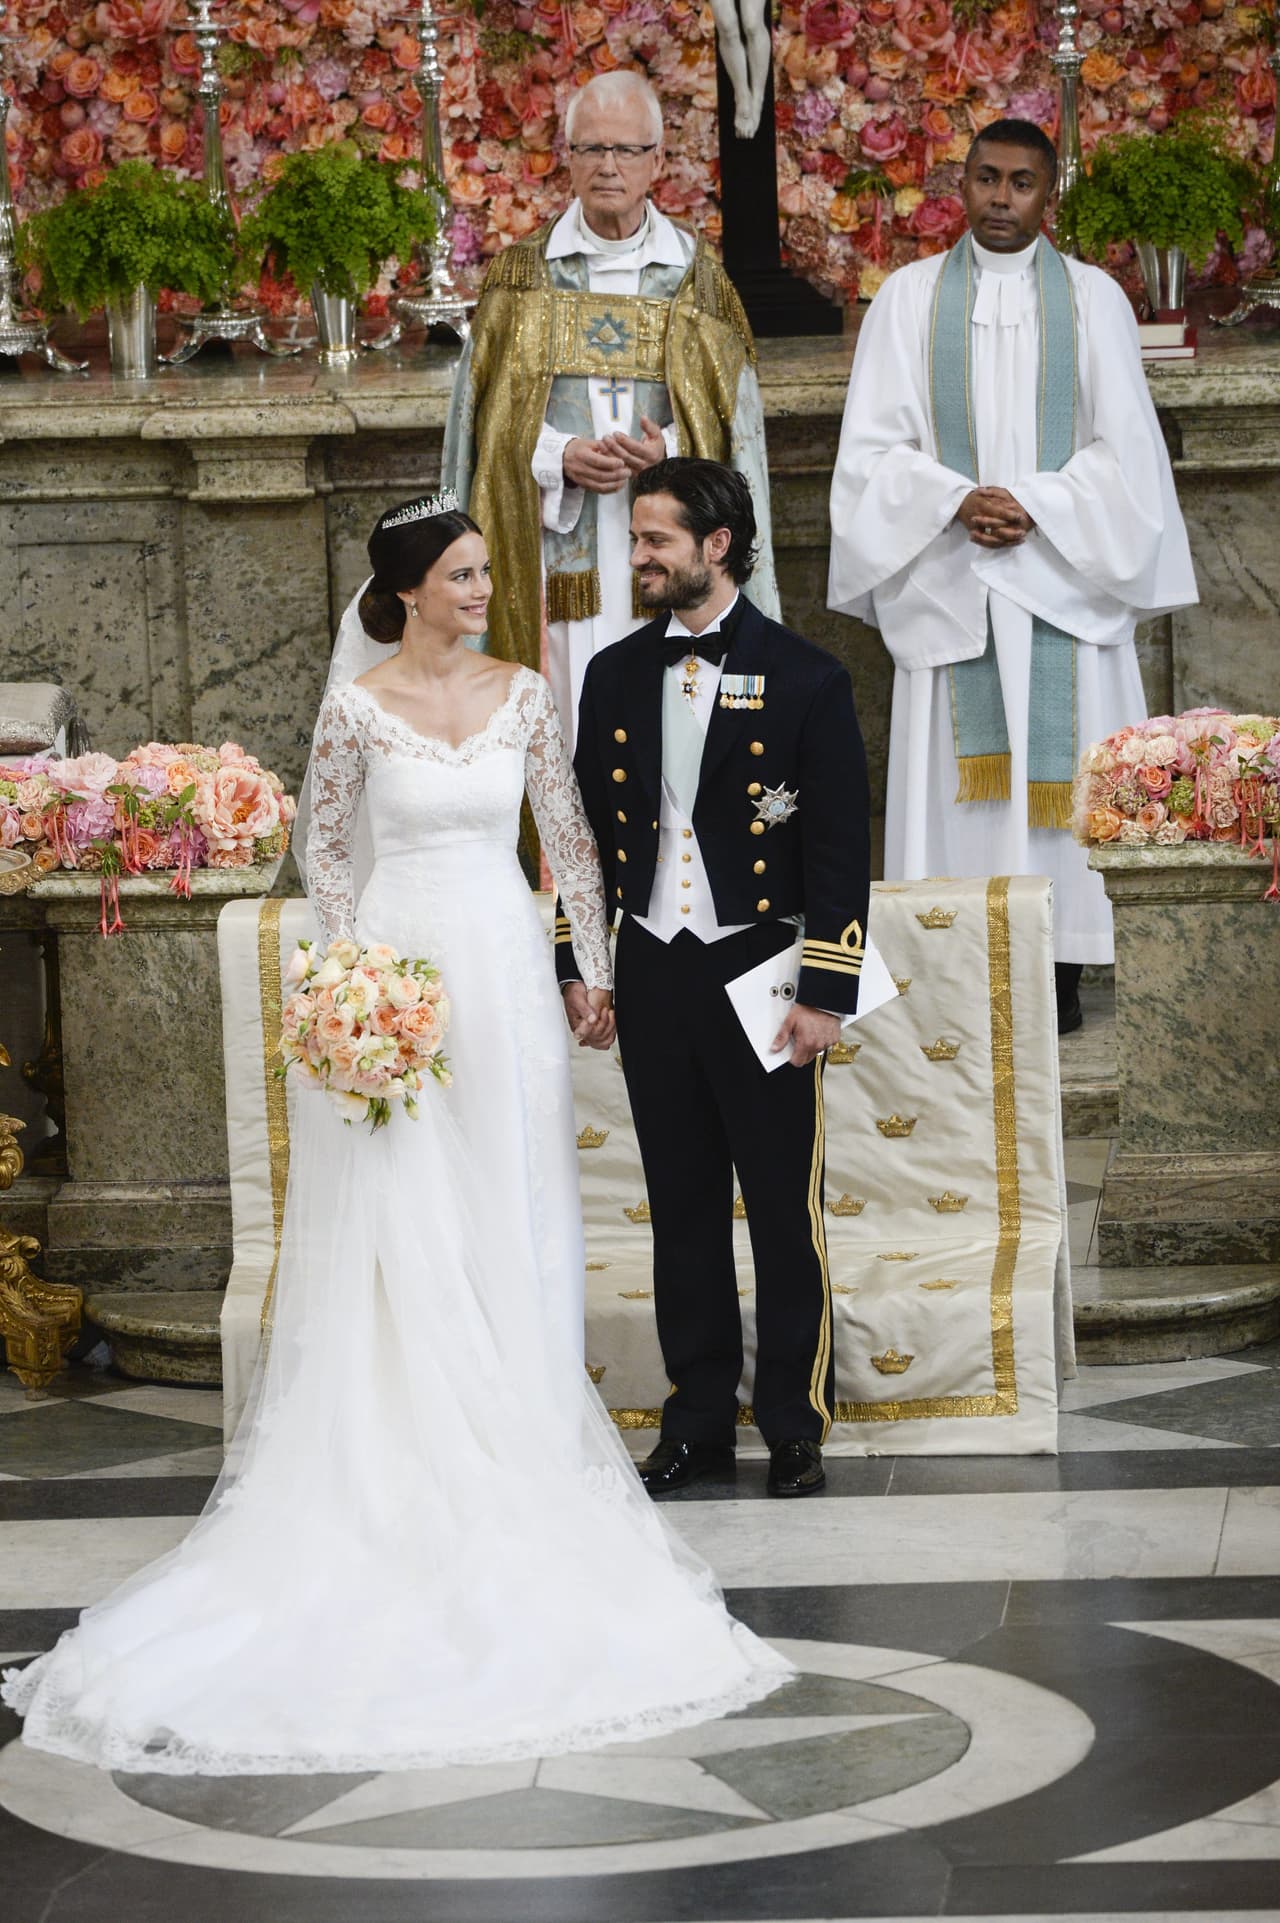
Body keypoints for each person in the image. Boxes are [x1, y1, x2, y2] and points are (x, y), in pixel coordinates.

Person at [1, 497, 791, 1775]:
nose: (484, 589)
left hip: (504, 981)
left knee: (514, 1202)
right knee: (409, 1212)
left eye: (486, 571)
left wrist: (585, 972)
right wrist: (353, 999)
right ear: (412, 585)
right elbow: (327, 863)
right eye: (464, 573)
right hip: (402, 990)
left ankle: (528, 1436)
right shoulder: (356, 706)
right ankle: (417, 1459)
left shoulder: (528, 693)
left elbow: (572, 846)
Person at [827, 118, 1197, 1033]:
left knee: (1064, 789)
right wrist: (954, 501)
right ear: (962, 180)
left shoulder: (1094, 300)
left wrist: (1037, 504)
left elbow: (1129, 457)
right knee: (958, 788)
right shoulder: (907, 300)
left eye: (1021, 182)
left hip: (1061, 579)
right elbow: (870, 454)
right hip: (953, 576)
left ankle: (1062, 972)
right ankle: (948, 969)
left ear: (1049, 194)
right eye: (986, 178)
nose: (1001, 198)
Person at [558, 458, 871, 1499]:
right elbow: (580, 848)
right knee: (679, 1203)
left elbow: (835, 855)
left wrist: (826, 993)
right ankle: (694, 1418)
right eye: (636, 538)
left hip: (763, 974)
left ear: (716, 545)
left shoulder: (808, 676)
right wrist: (581, 968)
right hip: (654, 968)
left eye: (654, 540)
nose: (637, 557)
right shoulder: (609, 672)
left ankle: (791, 1419)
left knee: (780, 1208)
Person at [440, 67, 780, 741]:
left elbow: (734, 428)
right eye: (591, 148)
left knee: (673, 734)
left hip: (673, 559)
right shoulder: (523, 277)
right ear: (567, 159)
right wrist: (557, 456)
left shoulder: (695, 278)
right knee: (568, 726)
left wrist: (670, 456)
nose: (608, 166)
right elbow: (480, 430)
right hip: (561, 564)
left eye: (626, 149)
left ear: (657, 160)